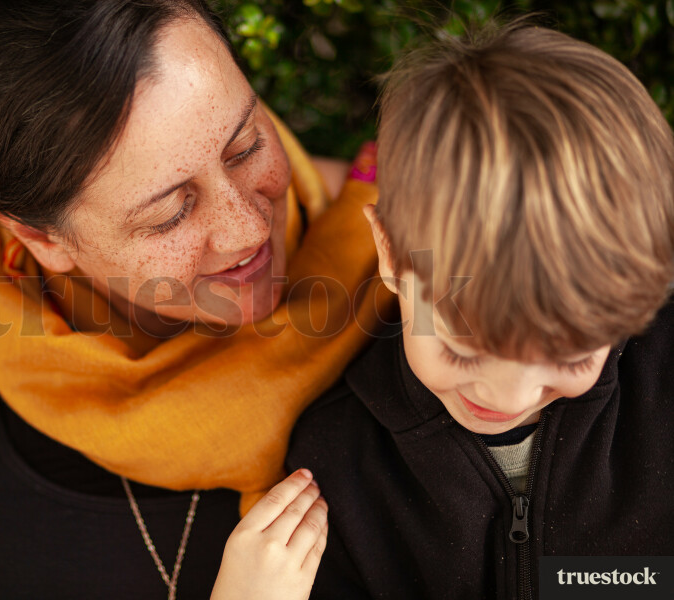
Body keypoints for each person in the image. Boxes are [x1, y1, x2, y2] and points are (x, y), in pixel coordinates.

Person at [0, 1, 390, 598]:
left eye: (246, 145)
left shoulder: (406, 278)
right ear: (39, 236)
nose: (250, 230)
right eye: (170, 213)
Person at [287, 21, 674, 599]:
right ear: (390, 251)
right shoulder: (338, 465)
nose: (508, 398)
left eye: (569, 357)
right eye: (463, 348)